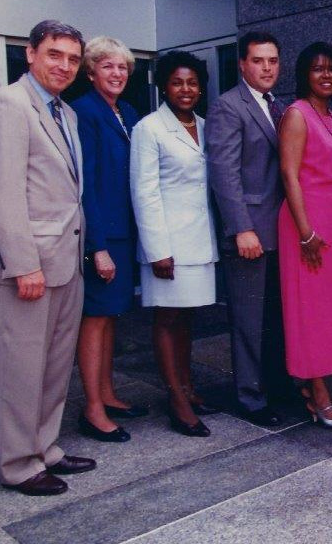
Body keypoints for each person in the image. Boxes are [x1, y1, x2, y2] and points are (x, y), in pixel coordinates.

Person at [0, 20, 95, 495]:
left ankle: (46, 448)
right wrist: (24, 264)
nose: (64, 65)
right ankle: (20, 464)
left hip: (67, 261)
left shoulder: (66, 114)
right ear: (29, 54)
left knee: (52, 367)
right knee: (21, 371)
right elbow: (1, 193)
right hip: (27, 268)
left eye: (71, 58)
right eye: (54, 54)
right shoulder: (6, 104)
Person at [206, 31, 295, 427]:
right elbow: (224, 173)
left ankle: (276, 387)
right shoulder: (228, 106)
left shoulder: (281, 107)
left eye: (272, 61)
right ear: (242, 64)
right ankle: (250, 397)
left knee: (276, 316)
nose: (266, 68)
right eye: (258, 61)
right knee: (248, 319)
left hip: (282, 233)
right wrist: (241, 228)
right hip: (250, 235)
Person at [130, 51, 218, 438]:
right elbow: (144, 192)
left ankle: (187, 387)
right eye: (178, 82)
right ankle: (177, 402)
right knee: (166, 318)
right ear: (164, 86)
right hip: (167, 245)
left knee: (186, 319)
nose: (186, 89)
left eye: (193, 83)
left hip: (199, 240)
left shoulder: (205, 125)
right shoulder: (149, 128)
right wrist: (157, 250)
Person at [278, 42, 332, 430]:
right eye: (317, 69)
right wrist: (305, 232)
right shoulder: (297, 115)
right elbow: (290, 176)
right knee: (310, 311)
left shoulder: (331, 116)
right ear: (304, 76)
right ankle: (316, 393)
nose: (326, 75)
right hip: (308, 223)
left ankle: (320, 386)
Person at [70, 37, 145, 444]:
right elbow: (85, 188)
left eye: (123, 68)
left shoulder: (128, 111)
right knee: (95, 320)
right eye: (108, 66)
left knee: (112, 317)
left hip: (125, 232)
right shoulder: (85, 112)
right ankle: (92, 408)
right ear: (91, 71)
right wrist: (96, 246)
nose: (117, 74)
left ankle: (108, 393)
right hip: (102, 235)